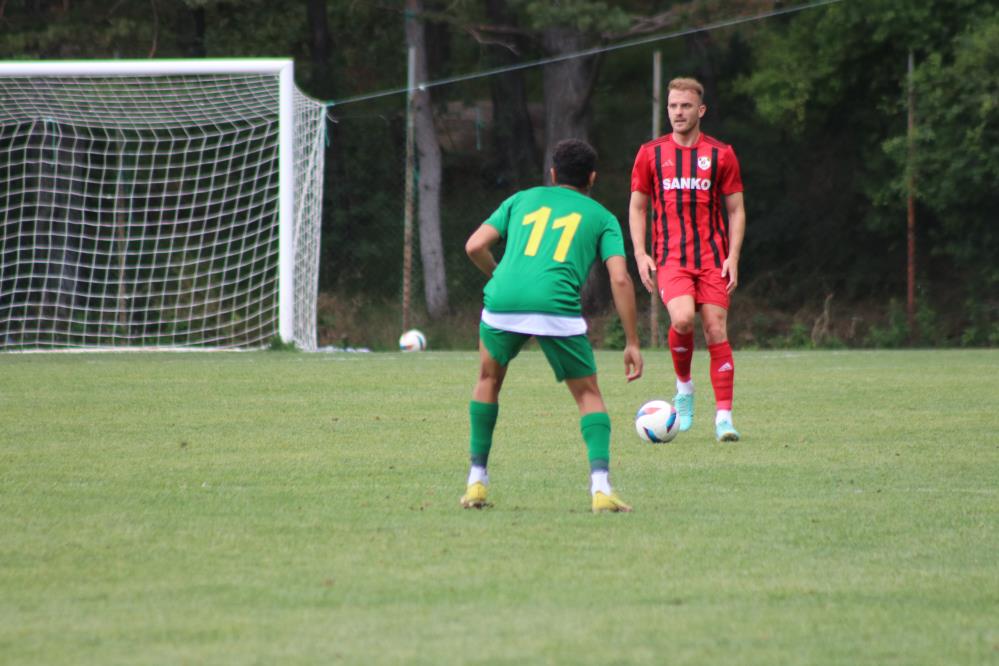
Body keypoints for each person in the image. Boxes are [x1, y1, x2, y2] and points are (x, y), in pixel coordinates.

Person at [461, 139, 644, 514]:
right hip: (556, 306)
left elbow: (474, 246)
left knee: (488, 380)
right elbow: (621, 279)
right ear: (592, 178)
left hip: (503, 301)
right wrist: (632, 341)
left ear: (553, 174)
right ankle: (600, 488)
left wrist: (500, 278)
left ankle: (476, 481)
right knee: (588, 395)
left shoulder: (520, 199)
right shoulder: (602, 217)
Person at [628, 77, 746, 442]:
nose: (678, 112)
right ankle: (684, 389)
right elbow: (638, 207)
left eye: (685, 106)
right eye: (673, 106)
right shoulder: (651, 153)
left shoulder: (721, 154)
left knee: (715, 329)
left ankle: (723, 418)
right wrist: (640, 252)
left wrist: (733, 257)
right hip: (671, 259)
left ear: (700, 110)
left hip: (712, 259)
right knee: (681, 320)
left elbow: (736, 210)